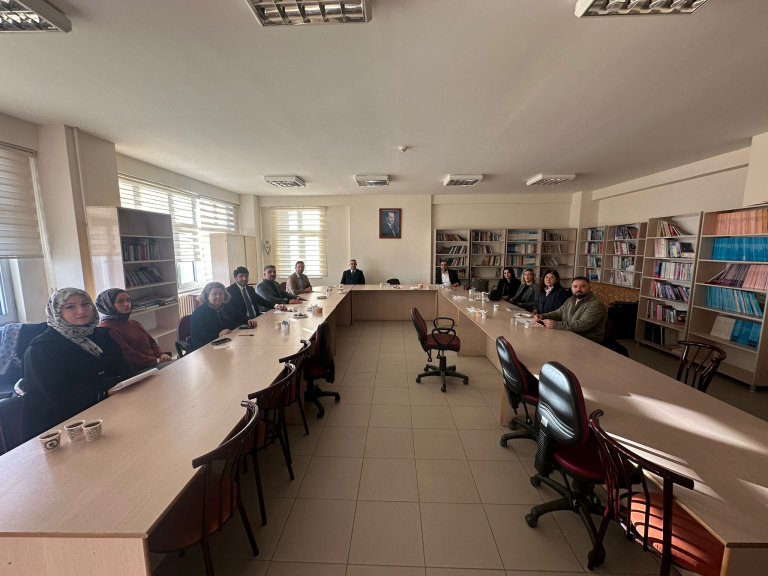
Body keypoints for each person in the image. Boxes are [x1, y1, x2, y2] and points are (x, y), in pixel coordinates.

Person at [21, 288, 133, 440]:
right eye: (70, 307)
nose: (81, 311)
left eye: (85, 304)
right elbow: (55, 397)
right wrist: (103, 394)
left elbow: (124, 370)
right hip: (63, 427)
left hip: (111, 408)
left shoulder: (102, 336)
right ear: (57, 312)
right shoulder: (41, 350)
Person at [96, 288, 173, 371]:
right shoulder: (106, 328)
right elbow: (129, 356)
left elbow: (151, 343)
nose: (127, 304)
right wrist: (156, 360)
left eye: (128, 300)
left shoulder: (134, 323)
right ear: (109, 305)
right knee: (175, 368)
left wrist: (161, 354)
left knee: (179, 363)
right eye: (120, 301)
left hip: (151, 363)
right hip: (136, 370)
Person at [534, 276, 608, 342]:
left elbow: (584, 324)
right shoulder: (571, 300)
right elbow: (558, 313)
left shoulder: (596, 304)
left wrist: (555, 325)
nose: (578, 289)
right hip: (569, 336)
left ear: (590, 288)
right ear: (571, 288)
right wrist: (542, 316)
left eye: (583, 286)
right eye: (575, 286)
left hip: (588, 341)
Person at [190, 282, 257, 350]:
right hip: (205, 347)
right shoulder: (199, 311)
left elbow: (240, 317)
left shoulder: (226, 307)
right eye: (214, 294)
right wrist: (218, 335)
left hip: (225, 343)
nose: (218, 297)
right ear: (207, 296)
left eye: (221, 294)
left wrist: (248, 320)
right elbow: (196, 335)